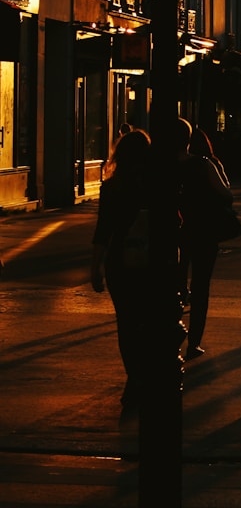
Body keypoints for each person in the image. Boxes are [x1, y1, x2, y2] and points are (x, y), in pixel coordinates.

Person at [90, 129, 154, 408]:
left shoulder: (112, 188)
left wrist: (96, 267)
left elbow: (103, 230)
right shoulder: (155, 187)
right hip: (151, 260)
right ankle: (146, 376)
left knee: (126, 323)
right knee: (148, 321)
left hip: (120, 260)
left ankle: (134, 377)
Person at [178, 120, 234, 360]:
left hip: (174, 231)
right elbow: (226, 193)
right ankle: (194, 342)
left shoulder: (162, 165)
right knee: (201, 287)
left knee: (175, 283)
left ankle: (170, 333)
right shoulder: (202, 165)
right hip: (202, 230)